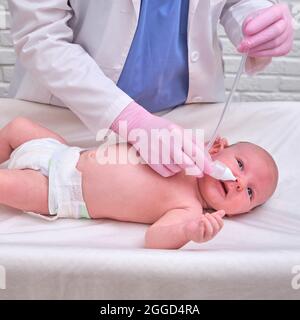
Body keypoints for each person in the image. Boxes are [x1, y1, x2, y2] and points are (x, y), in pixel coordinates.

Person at [7, 0, 293, 179]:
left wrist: (257, 20)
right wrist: (131, 119)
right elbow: (40, 35)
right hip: (72, 113)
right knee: (41, 178)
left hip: (186, 112)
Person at [0, 117, 278, 249]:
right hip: (65, 152)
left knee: (6, 185)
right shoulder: (179, 150)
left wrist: (188, 232)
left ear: (242, 212)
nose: (240, 182)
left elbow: (155, 239)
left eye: (251, 192)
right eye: (240, 165)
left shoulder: (189, 208)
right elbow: (143, 132)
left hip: (59, 191)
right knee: (17, 127)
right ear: (217, 147)